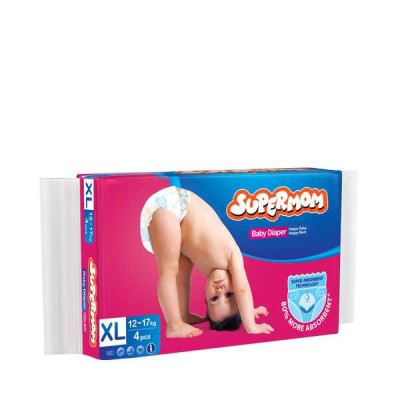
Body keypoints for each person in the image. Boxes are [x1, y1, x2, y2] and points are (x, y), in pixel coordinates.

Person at [140, 186, 274, 338]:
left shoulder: (210, 267)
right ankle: (174, 325)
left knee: (181, 274)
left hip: (174, 223)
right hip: (174, 204)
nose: (220, 290)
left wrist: (246, 311)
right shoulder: (233, 256)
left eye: (214, 299)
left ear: (205, 294)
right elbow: (243, 290)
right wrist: (251, 325)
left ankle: (182, 315)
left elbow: (240, 296)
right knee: (169, 270)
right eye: (229, 295)